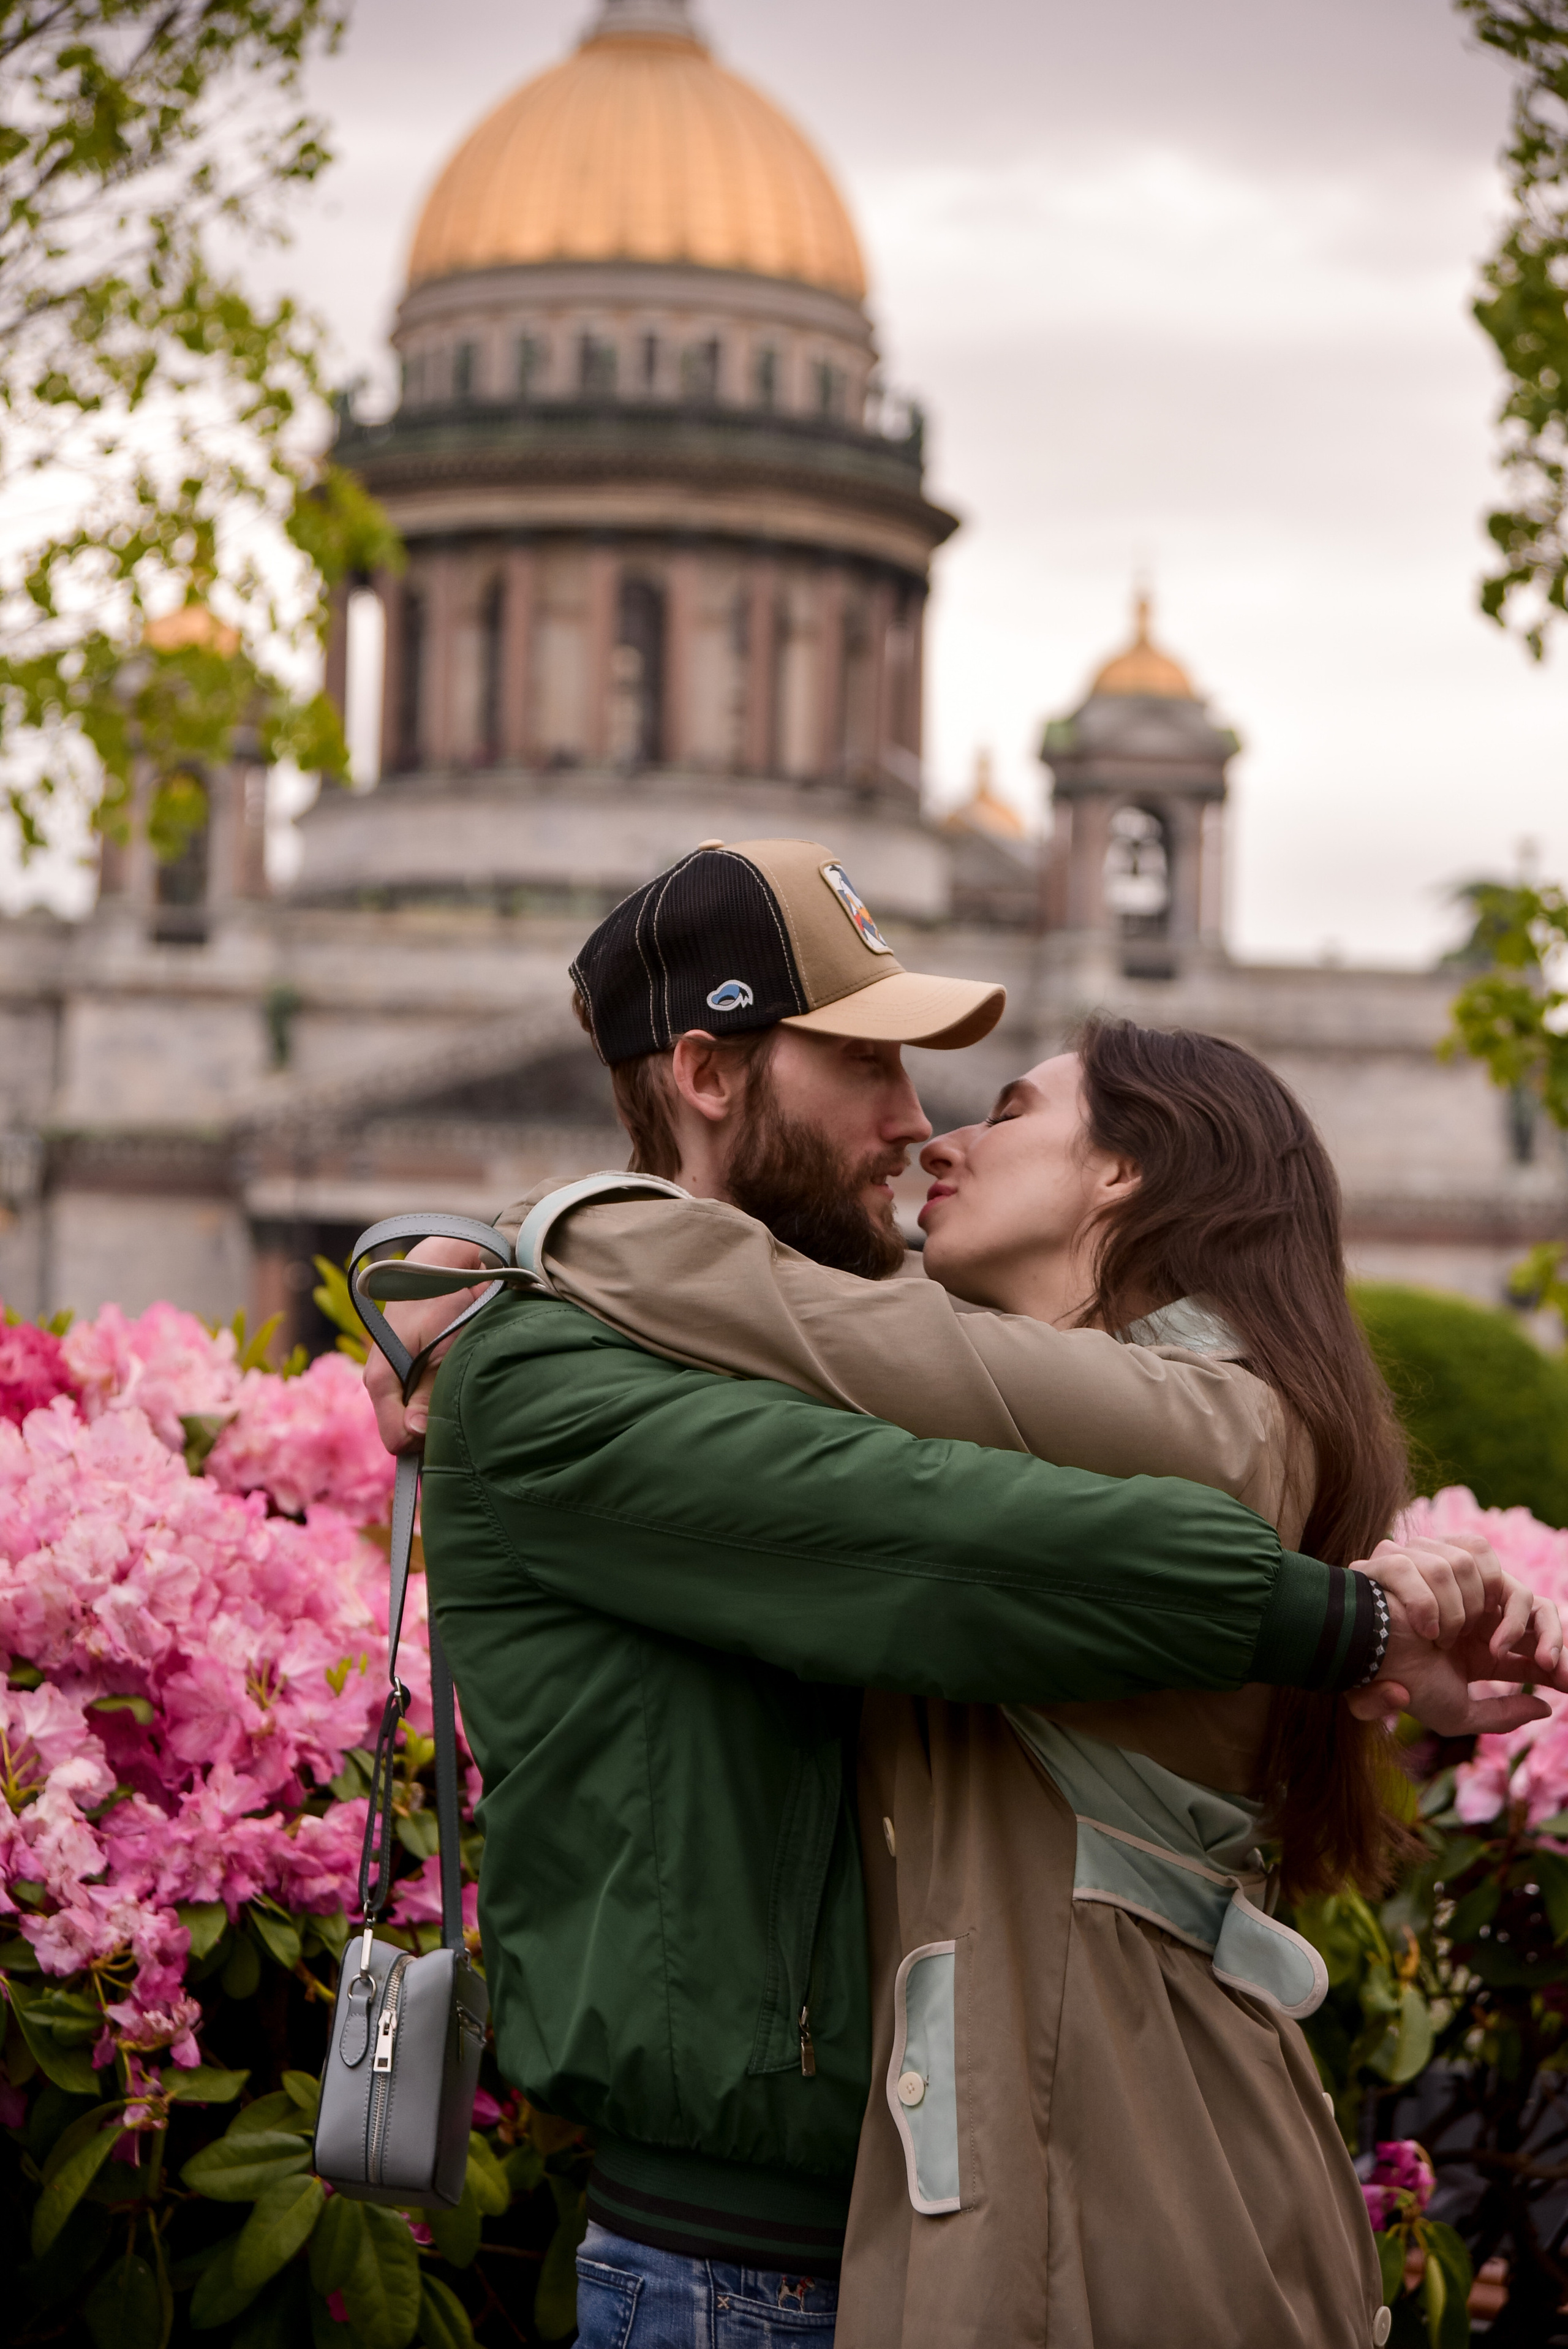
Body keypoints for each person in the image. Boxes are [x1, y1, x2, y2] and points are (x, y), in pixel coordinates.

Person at [368, 839, 1561, 2349]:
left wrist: (480, 1264)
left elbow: (990, 1466)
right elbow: (947, 1543)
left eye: (965, 1094)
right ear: (708, 1073)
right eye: (869, 1068)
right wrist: (1350, 1620)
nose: (912, 1126)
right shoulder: (563, 1371)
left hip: (1008, 2219)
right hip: (753, 2261)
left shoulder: (916, 1361)